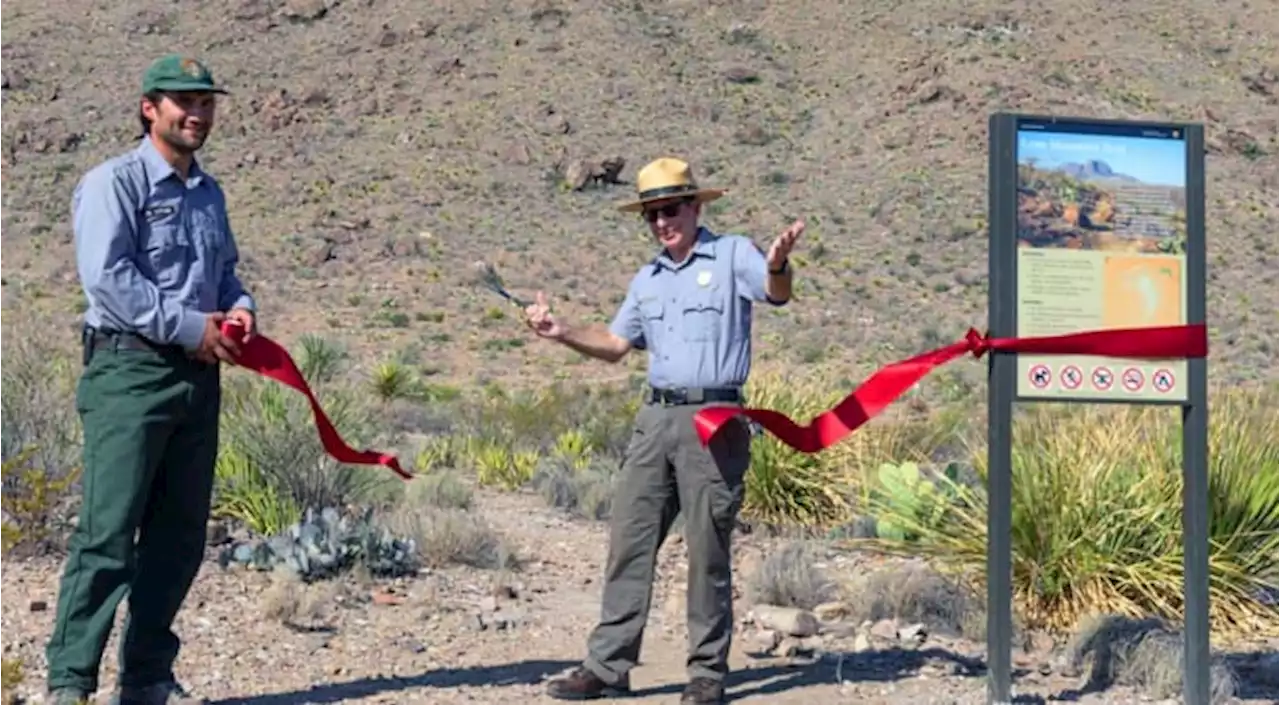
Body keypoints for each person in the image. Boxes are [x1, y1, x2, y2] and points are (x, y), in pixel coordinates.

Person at [525, 156, 803, 704]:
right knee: (629, 542)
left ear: (696, 207)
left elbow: (777, 293)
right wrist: (561, 333)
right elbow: (614, 346)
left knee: (707, 550)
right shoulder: (646, 279)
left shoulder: (730, 255)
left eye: (670, 209)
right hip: (654, 421)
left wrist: (777, 264)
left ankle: (706, 674)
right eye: (650, 215)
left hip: (713, 419)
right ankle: (607, 667)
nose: (660, 223)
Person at [44, 53, 256, 705]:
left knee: (180, 533)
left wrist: (241, 309)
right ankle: (70, 680)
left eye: (205, 103)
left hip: (197, 379)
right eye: (182, 102)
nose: (196, 114)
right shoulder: (116, 183)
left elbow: (223, 275)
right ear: (149, 108)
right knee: (108, 532)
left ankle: (145, 676)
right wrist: (195, 327)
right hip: (128, 372)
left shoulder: (207, 193)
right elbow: (109, 280)